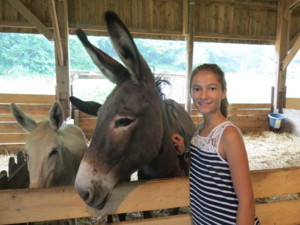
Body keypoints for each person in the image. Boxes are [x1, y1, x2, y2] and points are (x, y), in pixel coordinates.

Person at [172, 64, 260, 225]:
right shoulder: (199, 129)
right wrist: (184, 152)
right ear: (191, 92)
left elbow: (247, 200)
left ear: (223, 92)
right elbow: (205, 170)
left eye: (211, 88)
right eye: (197, 89)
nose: (203, 95)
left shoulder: (228, 135)